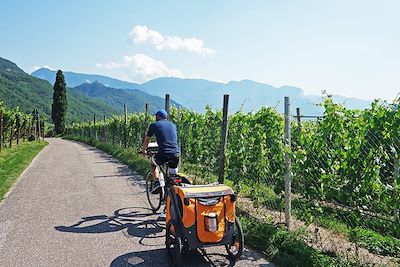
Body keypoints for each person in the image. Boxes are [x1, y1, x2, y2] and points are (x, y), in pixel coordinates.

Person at [141, 109, 180, 192]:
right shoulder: (173, 125)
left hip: (163, 153)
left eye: (156, 116)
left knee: (152, 164)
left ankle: (157, 183)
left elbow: (147, 139)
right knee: (172, 176)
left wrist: (144, 150)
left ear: (158, 117)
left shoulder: (154, 125)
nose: (155, 117)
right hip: (176, 154)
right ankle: (172, 194)